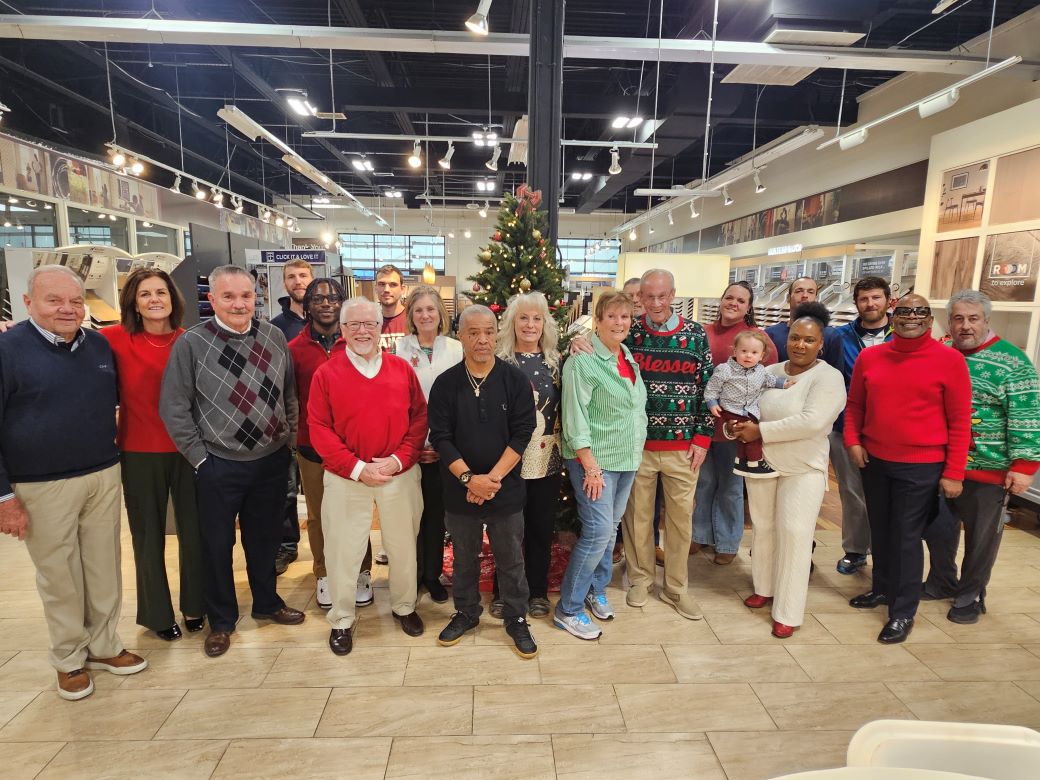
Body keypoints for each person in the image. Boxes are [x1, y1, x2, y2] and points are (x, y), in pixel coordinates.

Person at [0, 265, 147, 700]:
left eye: (76, 300)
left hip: (101, 472)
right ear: (28, 303)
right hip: (40, 484)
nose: (68, 309)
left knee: (104, 567)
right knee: (59, 575)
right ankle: (68, 659)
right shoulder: (8, 350)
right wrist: (4, 494)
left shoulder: (97, 345)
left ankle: (104, 646)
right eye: (55, 300)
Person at [160, 264, 304, 659]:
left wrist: (288, 440)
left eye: (246, 296)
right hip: (218, 463)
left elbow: (288, 394)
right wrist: (200, 459)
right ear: (213, 299)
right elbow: (174, 408)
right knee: (216, 545)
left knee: (264, 539)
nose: (240, 304)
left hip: (271, 460)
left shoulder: (274, 336)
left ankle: (267, 603)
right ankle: (221, 621)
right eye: (229, 297)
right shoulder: (192, 344)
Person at [575, 269, 714, 617]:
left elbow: (709, 388)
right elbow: (594, 346)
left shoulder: (696, 335)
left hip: (684, 448)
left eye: (661, 296)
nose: (654, 303)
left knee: (681, 521)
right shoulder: (629, 332)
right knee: (637, 518)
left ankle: (677, 588)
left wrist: (702, 437)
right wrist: (575, 342)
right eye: (647, 297)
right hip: (636, 448)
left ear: (673, 295)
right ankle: (640, 579)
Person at [844, 292, 972, 644]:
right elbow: (855, 406)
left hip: (922, 465)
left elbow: (961, 421)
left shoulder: (949, 361)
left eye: (920, 312)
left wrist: (953, 472)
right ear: (892, 315)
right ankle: (882, 589)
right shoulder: (871, 358)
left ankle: (902, 612)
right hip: (875, 460)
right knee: (881, 530)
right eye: (904, 311)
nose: (911, 317)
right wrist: (853, 441)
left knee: (905, 537)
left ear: (930, 320)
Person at [308, 297, 428, 656]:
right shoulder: (326, 373)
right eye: (353, 325)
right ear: (342, 330)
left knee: (404, 546)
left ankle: (404, 606)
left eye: (369, 324)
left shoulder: (401, 369)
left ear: (381, 328)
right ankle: (342, 618)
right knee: (343, 551)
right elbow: (318, 428)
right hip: (347, 477)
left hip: (398, 473)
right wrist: (359, 468)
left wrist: (396, 460)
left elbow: (419, 418)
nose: (362, 331)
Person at [427, 305, 538, 658]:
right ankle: (466, 612)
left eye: (489, 332)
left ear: (497, 334)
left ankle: (517, 618)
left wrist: (489, 480)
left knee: (510, 559)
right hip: (460, 491)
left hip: (504, 488)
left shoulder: (515, 380)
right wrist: (468, 479)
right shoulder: (446, 385)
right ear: (460, 336)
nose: (482, 340)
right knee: (464, 558)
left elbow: (523, 433)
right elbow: (441, 437)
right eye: (473, 332)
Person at [923, 290, 1040, 623]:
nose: (965, 326)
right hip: (942, 466)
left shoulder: (1013, 362)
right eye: (958, 318)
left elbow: (1027, 415)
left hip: (989, 470)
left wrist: (1024, 466)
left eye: (973, 318)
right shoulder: (942, 352)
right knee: (939, 529)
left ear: (987, 320)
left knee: (981, 539)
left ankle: (971, 593)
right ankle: (941, 581)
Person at [101, 268, 204, 642]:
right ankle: (157, 613)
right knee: (147, 537)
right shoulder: (111, 339)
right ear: (133, 302)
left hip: (189, 449)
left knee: (195, 532)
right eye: (145, 294)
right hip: (138, 450)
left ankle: (195, 604)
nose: (154, 299)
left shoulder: (189, 340)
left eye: (161, 291)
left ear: (173, 299)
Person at [734, 303, 846, 638]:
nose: (800, 345)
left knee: (795, 534)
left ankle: (787, 610)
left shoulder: (829, 378)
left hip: (803, 468)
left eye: (808, 340)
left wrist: (761, 432)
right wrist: (738, 427)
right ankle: (764, 587)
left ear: (820, 344)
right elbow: (751, 407)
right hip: (764, 464)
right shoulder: (773, 372)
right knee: (765, 528)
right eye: (795, 337)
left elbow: (812, 421)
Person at [556, 290, 647, 639]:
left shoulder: (626, 356)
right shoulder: (583, 359)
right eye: (612, 316)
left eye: (625, 316)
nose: (619, 322)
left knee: (610, 532)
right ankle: (569, 609)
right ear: (598, 320)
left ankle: (596, 589)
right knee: (596, 534)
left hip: (627, 458)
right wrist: (590, 466)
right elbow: (575, 417)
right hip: (596, 462)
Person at [288, 278, 375, 611]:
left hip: (354, 447)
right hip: (312, 447)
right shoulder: (294, 348)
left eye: (333, 298)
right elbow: (290, 397)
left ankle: (362, 571)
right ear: (307, 305)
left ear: (342, 304)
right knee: (319, 515)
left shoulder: (356, 344)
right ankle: (324, 573)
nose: (326, 303)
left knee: (357, 512)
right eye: (318, 298)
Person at [491, 291, 563, 619]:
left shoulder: (556, 362)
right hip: (506, 459)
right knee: (505, 530)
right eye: (524, 318)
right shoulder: (499, 361)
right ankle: (503, 591)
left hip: (545, 457)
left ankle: (535, 591)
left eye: (537, 318)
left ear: (545, 323)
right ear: (512, 322)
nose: (530, 324)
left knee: (539, 528)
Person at [694, 281, 776, 564]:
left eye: (741, 300)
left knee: (730, 485)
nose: (733, 303)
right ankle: (700, 534)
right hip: (706, 422)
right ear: (721, 299)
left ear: (749, 307)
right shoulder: (703, 332)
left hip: (738, 426)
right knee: (704, 482)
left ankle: (727, 542)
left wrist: (756, 423)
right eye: (729, 297)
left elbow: (769, 380)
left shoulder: (756, 338)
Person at [395, 285, 464, 604]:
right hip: (409, 446)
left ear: (441, 315)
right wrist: (413, 443)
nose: (425, 315)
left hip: (444, 446)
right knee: (409, 517)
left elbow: (460, 400)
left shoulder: (455, 348)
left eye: (430, 309)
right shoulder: (399, 348)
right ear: (410, 315)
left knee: (436, 515)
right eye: (418, 310)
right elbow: (397, 402)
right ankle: (410, 575)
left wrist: (442, 443)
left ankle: (432, 574)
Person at [831, 277, 893, 575]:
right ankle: (855, 550)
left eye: (876, 298)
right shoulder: (839, 337)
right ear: (856, 303)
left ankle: (885, 552)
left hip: (890, 432)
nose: (870, 304)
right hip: (846, 427)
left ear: (888, 300)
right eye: (864, 299)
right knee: (851, 491)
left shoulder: (902, 335)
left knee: (887, 495)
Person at [270, 259, 316, 575]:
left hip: (322, 424)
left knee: (321, 496)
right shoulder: (275, 328)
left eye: (303, 276)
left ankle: (327, 552)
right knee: (286, 491)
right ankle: (287, 547)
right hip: (287, 422)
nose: (298, 281)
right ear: (284, 283)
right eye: (291, 277)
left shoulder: (332, 321)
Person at [704, 330, 793, 477]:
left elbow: (770, 380)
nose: (748, 355)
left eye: (754, 352)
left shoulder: (760, 371)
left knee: (748, 437)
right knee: (747, 436)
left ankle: (744, 462)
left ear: (761, 356)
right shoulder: (725, 369)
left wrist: (785, 383)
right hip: (730, 410)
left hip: (750, 411)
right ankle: (755, 462)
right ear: (735, 351)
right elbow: (712, 388)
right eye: (744, 351)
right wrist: (712, 403)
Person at [764, 276, 841, 369]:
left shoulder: (830, 336)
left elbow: (836, 375)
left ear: (816, 298)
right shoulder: (770, 335)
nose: (805, 295)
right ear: (788, 297)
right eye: (799, 291)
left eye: (810, 292)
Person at [375, 263, 408, 354]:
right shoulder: (367, 322)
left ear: (402, 289)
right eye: (381, 284)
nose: (386, 289)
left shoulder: (413, 320)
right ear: (376, 288)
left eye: (393, 285)